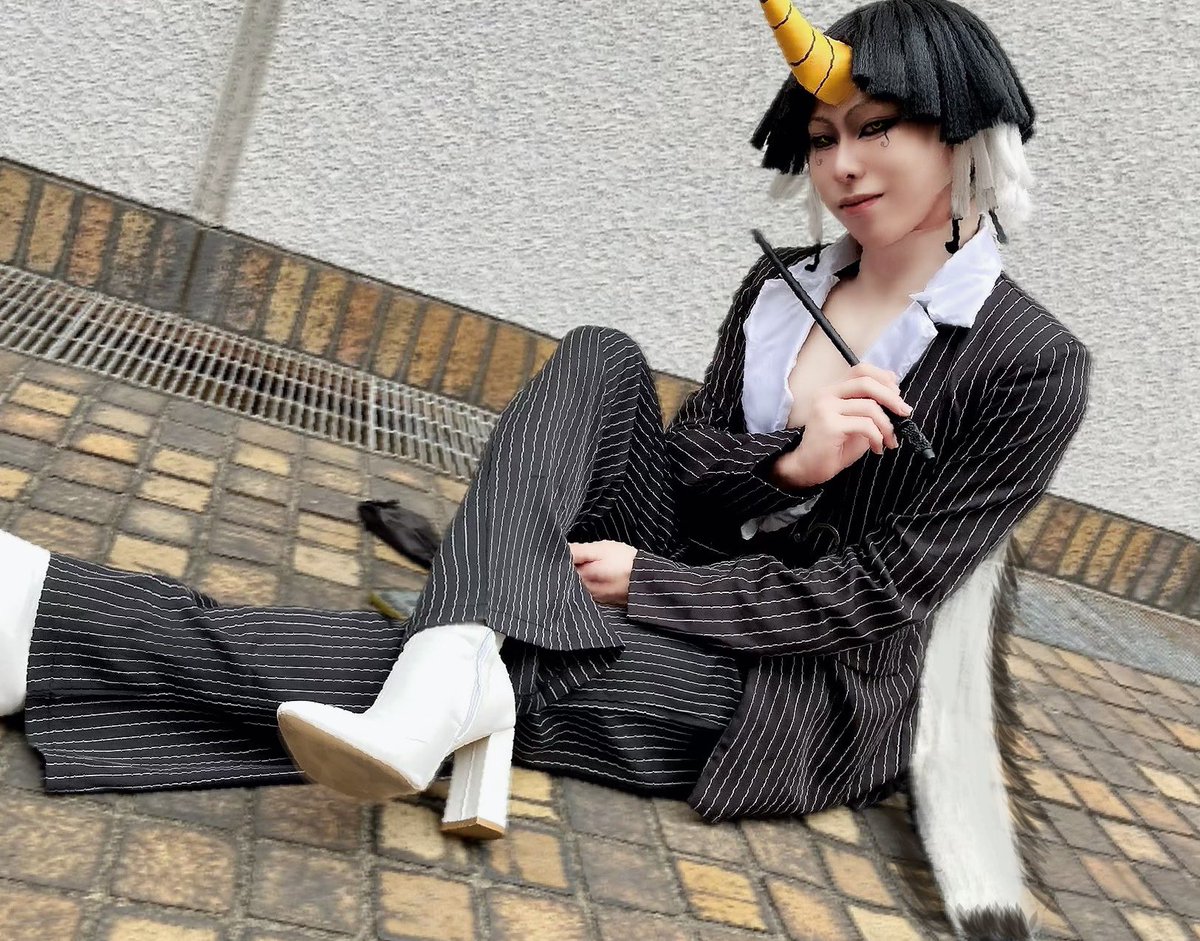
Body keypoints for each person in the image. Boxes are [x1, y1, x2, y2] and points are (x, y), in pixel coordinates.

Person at [0, 2, 1087, 937]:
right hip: (672, 554)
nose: (842, 164)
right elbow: (685, 459)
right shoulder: (787, 286)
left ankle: (50, 619)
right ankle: (452, 661)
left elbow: (877, 597)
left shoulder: (1031, 363)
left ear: (963, 132)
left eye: (878, 127)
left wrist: (650, 585)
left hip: (789, 683)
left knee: (516, 658)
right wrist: (792, 463)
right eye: (821, 136)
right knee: (603, 354)